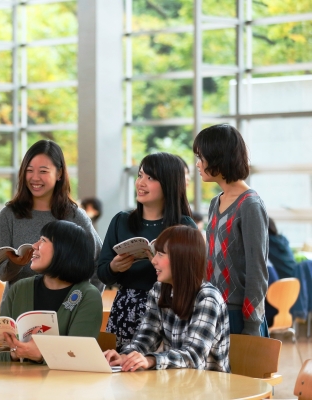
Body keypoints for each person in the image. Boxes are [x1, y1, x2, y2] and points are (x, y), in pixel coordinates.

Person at [97, 152, 196, 350]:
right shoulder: (121, 221)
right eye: (140, 175)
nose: (140, 183)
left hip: (170, 307)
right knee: (123, 368)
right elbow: (102, 274)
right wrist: (114, 267)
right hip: (126, 308)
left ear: (169, 183)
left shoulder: (184, 227)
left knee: (163, 369)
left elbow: (193, 277)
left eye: (150, 178)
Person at [103, 226, 230, 372]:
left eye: (160, 254)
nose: (153, 261)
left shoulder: (207, 298)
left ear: (181, 258)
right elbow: (146, 337)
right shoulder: (159, 289)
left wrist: (151, 360)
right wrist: (125, 357)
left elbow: (193, 356)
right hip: (176, 384)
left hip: (209, 388)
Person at [0, 140, 104, 298]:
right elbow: (2, 273)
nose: (35, 178)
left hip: (63, 314)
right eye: (29, 170)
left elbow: (98, 263)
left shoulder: (75, 216)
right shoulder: (8, 215)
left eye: (43, 171)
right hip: (17, 310)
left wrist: (82, 303)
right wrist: (16, 263)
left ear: (59, 173)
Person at [193, 124, 269, 336]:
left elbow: (258, 272)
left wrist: (252, 325)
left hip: (238, 316)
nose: (197, 164)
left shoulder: (250, 204)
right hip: (213, 310)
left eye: (201, 157)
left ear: (218, 157)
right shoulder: (215, 202)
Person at [0, 220, 103, 362]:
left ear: (64, 249)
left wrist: (41, 355)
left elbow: (78, 355)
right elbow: (0, 349)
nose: (34, 246)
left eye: (43, 240)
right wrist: (16, 353)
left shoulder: (88, 295)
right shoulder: (19, 288)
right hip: (17, 381)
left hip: (65, 383)